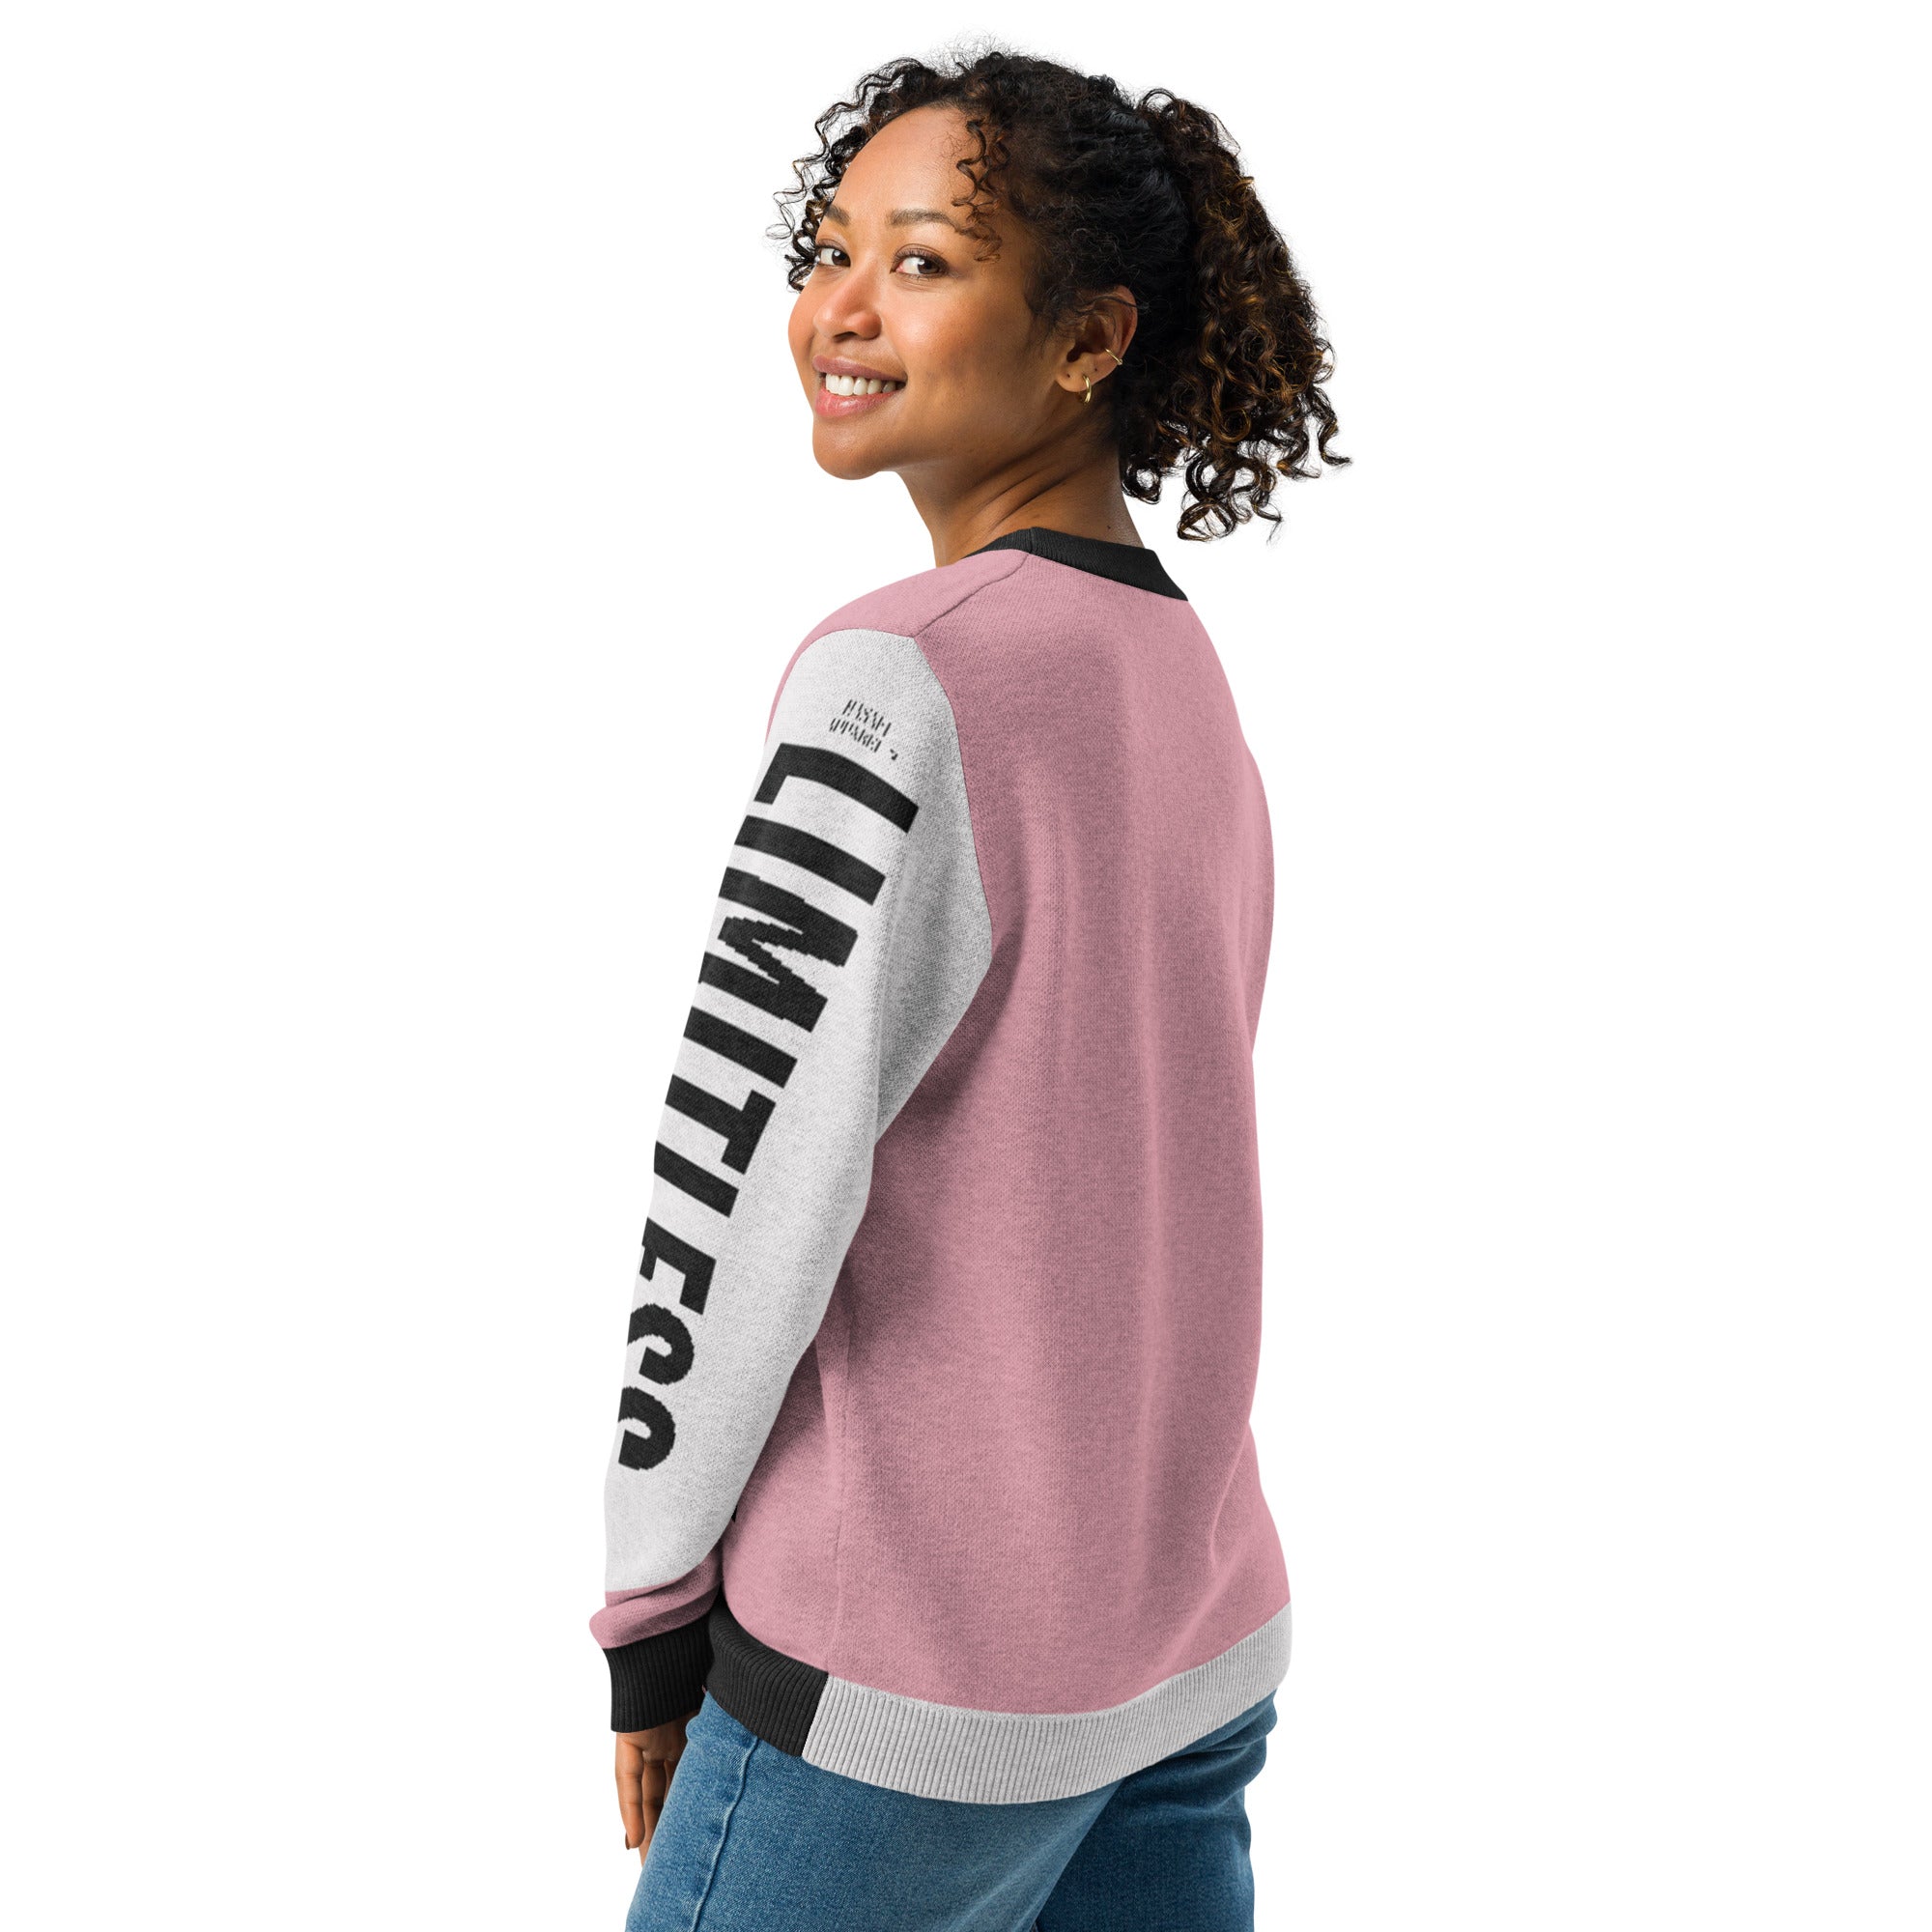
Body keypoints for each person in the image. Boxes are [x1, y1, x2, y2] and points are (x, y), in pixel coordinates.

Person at [590, 44, 1347, 1932]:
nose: (839, 308)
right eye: (831, 250)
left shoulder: (901, 676)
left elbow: (740, 1172)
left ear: (1088, 339)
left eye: (921, 262)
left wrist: (649, 1609)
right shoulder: (1177, 676)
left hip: (902, 1691)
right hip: (1182, 1658)